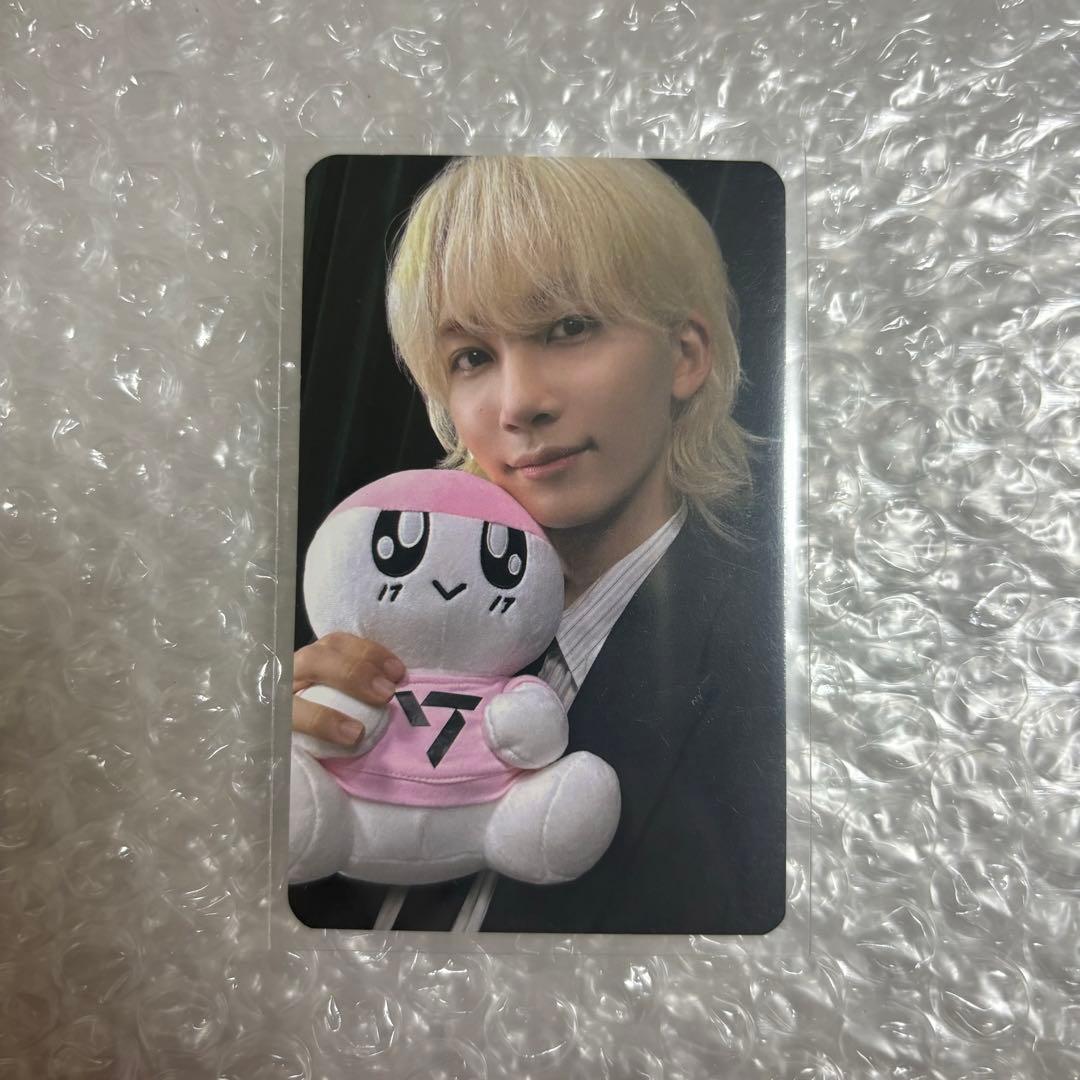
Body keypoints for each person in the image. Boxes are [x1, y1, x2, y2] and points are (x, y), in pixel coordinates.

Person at [289, 156, 785, 934]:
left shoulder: (771, 667)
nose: (519, 404)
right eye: (472, 357)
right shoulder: (377, 630)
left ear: (686, 355)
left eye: (569, 327)